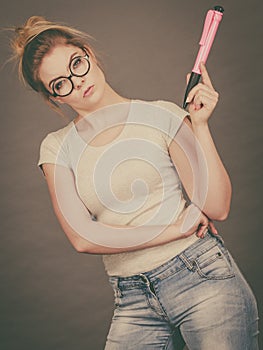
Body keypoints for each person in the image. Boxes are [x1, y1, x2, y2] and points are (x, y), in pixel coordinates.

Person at [11, 16, 259, 349]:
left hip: (203, 276)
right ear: (54, 97)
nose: (77, 81)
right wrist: (175, 229)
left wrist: (199, 125)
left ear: (88, 54)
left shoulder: (162, 115)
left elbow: (217, 206)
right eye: (60, 84)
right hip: (132, 298)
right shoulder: (57, 148)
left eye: (77, 64)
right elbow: (82, 237)